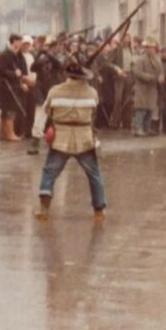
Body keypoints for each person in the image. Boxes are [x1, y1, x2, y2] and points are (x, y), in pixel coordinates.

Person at [35, 62, 106, 221]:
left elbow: (48, 110)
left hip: (61, 137)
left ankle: (44, 209)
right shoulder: (91, 92)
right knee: (94, 174)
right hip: (84, 138)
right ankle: (99, 210)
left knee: (49, 172)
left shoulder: (55, 91)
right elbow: (94, 111)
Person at [0, 34, 26, 142]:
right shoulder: (6, 54)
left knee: (7, 110)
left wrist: (21, 79)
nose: (21, 43)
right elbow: (0, 70)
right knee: (9, 110)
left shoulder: (18, 54)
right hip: (7, 87)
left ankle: (3, 134)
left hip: (14, 86)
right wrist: (13, 73)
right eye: (19, 41)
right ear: (14, 41)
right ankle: (10, 134)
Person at [132, 38, 164, 136]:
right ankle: (138, 129)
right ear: (145, 48)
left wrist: (161, 77)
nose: (151, 49)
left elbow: (161, 72)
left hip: (152, 88)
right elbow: (136, 72)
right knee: (141, 109)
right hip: (142, 88)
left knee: (150, 109)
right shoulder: (140, 59)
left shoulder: (157, 60)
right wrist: (149, 77)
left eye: (152, 48)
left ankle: (146, 128)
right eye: (149, 48)